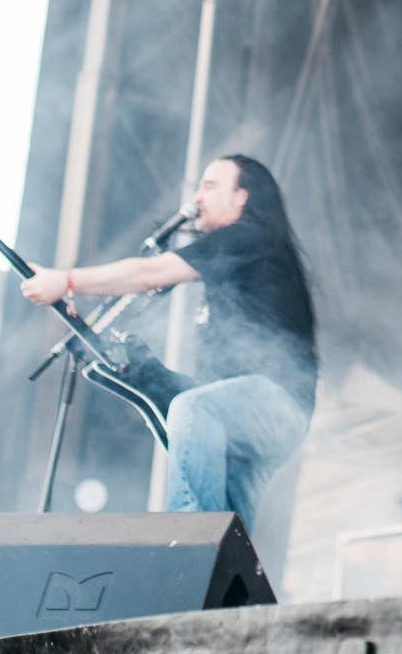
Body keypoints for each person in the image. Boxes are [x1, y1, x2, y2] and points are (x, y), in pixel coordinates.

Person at [21, 154, 317, 526]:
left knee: (193, 410)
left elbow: (150, 273)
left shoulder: (249, 236)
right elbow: (147, 282)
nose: (197, 198)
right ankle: (217, 573)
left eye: (209, 186)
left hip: (276, 403)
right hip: (244, 419)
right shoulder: (239, 259)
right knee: (231, 534)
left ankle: (186, 542)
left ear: (241, 197)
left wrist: (64, 280)